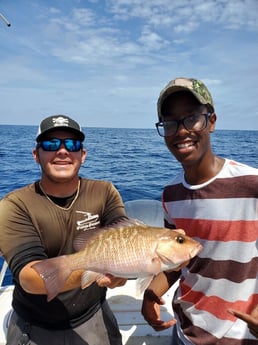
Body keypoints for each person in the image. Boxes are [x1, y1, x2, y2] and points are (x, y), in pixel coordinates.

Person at [141, 77, 258, 344]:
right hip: (185, 333)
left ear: (212, 121)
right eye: (170, 123)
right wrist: (151, 294)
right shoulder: (171, 194)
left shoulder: (251, 184)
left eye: (192, 119)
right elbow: (177, 259)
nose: (181, 131)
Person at [0, 114, 128, 345]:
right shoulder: (15, 205)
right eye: (50, 144)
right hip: (34, 327)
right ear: (36, 155)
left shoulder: (104, 192)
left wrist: (130, 269)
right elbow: (30, 277)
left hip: (94, 316)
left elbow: (126, 240)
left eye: (72, 144)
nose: (62, 151)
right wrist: (98, 269)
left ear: (83, 155)